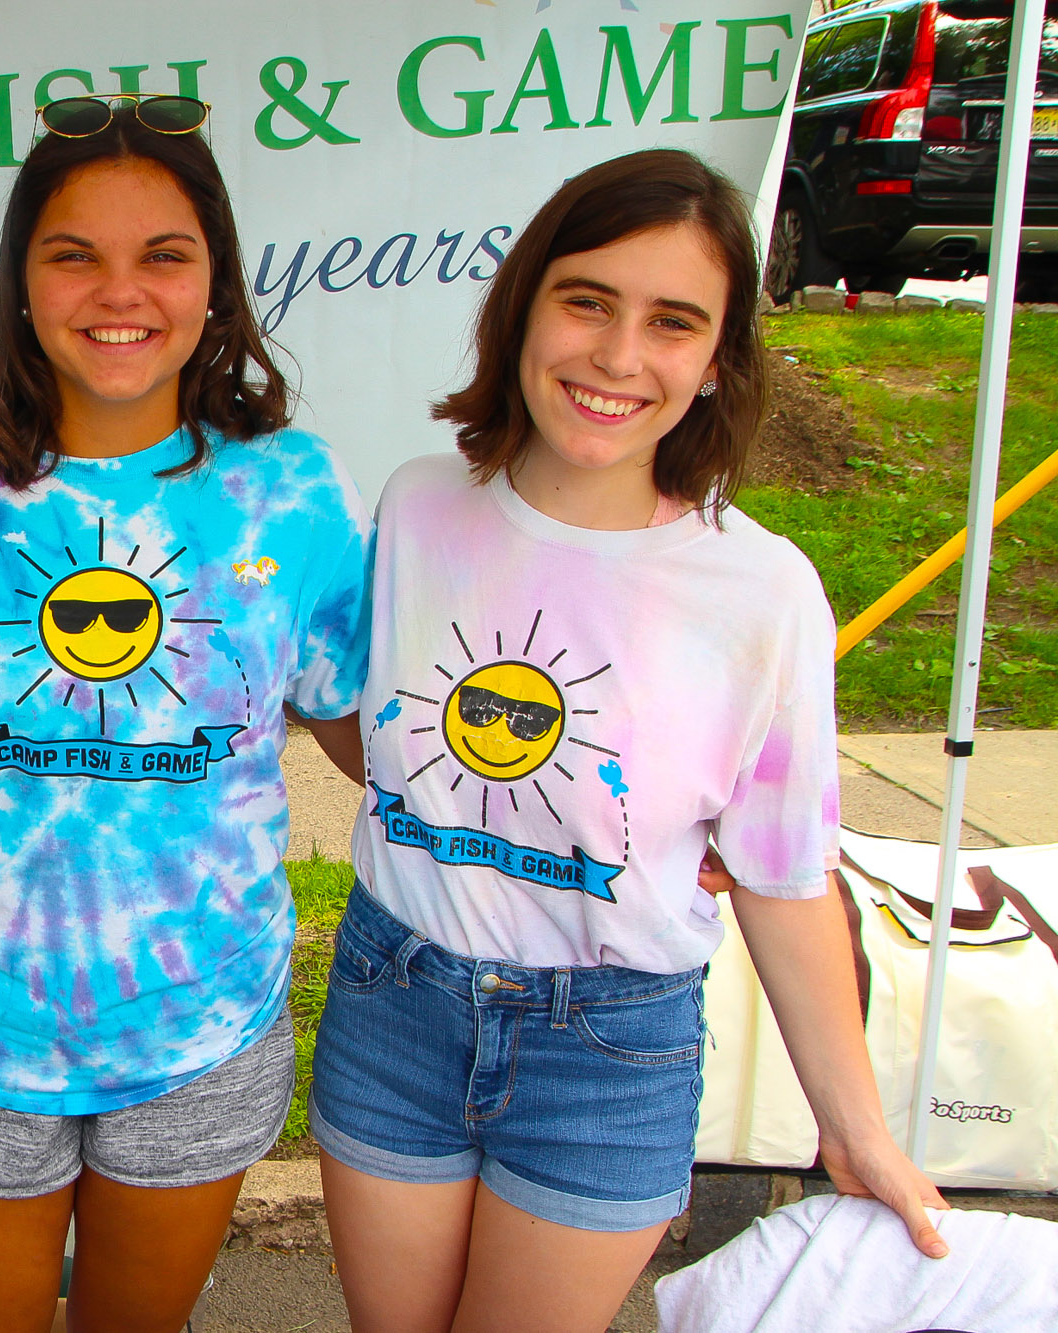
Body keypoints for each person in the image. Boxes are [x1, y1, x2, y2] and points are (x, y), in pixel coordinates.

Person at [310, 148, 949, 1333]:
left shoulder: (760, 591)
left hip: (604, 1050)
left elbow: (781, 876)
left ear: (715, 362)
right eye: (586, 301)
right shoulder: (416, 504)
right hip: (392, 1000)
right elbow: (387, 749)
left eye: (671, 322)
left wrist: (854, 1130)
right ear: (521, 310)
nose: (615, 356)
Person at [0, 94, 373, 1333]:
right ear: (21, 284)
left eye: (162, 256)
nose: (117, 291)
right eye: (72, 255)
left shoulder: (290, 489)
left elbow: (373, 735)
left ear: (214, 284)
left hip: (201, 1019)